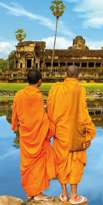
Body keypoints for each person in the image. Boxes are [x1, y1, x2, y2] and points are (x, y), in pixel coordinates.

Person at [48, 65, 96, 204]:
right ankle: (74, 196)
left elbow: (50, 109)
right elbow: (83, 112)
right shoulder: (80, 89)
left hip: (60, 133)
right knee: (76, 162)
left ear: (65, 74)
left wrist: (51, 128)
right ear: (78, 75)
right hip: (76, 133)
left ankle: (63, 194)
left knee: (61, 162)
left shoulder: (56, 88)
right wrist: (89, 131)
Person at [11, 69, 55, 201]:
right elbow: (41, 119)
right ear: (40, 81)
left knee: (28, 164)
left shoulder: (19, 94)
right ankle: (38, 194)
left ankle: (31, 192)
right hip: (38, 137)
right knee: (39, 163)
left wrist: (15, 126)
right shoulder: (37, 96)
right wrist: (51, 128)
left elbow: (15, 113)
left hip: (25, 136)